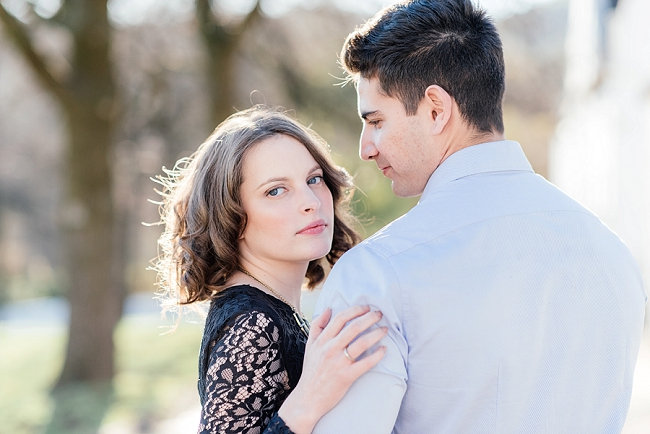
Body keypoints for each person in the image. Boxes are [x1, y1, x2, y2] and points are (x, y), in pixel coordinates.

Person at [313, 0, 647, 432]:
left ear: (436, 109)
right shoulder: (613, 256)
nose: (366, 147)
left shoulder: (377, 275)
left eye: (376, 120)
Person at [154, 105, 387, 433]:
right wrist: (309, 399)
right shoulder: (252, 326)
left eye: (314, 179)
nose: (311, 201)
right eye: (275, 190)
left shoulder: (272, 313)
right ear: (232, 217)